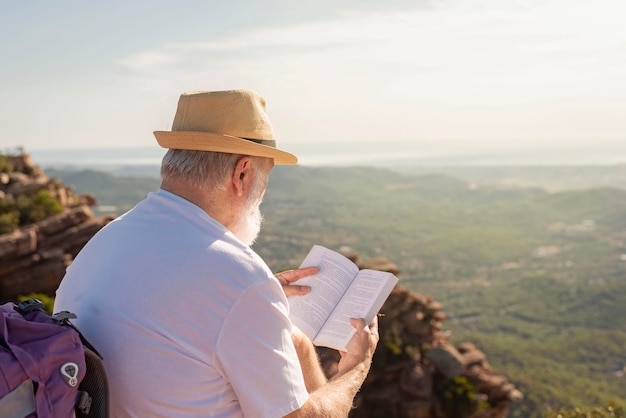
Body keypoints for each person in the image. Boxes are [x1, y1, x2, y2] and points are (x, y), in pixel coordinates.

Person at [54, 89, 379, 417]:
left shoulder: (104, 241)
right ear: (242, 174)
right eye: (265, 178)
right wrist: (355, 368)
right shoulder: (237, 277)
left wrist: (267, 309)